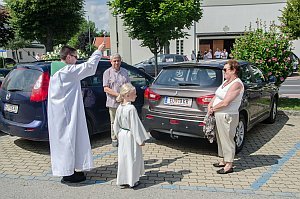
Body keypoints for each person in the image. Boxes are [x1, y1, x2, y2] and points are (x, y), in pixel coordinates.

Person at [47, 42, 105, 183]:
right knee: (69, 140)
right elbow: (89, 67)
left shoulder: (55, 72)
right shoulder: (67, 71)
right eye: (75, 57)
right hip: (66, 114)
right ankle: (69, 174)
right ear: (68, 57)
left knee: (64, 142)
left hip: (59, 114)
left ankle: (68, 170)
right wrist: (98, 51)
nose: (76, 60)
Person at [207, 60, 244, 174]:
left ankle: (229, 165)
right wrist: (210, 105)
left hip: (227, 115)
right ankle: (224, 160)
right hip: (219, 114)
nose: (223, 72)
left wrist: (213, 109)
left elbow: (226, 102)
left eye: (225, 69)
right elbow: (217, 95)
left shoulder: (237, 84)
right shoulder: (226, 82)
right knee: (221, 138)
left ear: (233, 70)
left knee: (227, 139)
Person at [113, 83, 151, 188]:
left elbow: (116, 124)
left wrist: (117, 134)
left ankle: (123, 179)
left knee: (124, 158)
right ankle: (133, 180)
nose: (136, 96)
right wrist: (140, 140)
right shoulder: (131, 109)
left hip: (122, 135)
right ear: (127, 95)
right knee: (133, 157)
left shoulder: (119, 107)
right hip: (131, 136)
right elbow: (135, 126)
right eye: (134, 94)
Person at [103, 53, 130, 147]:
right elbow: (105, 88)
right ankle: (114, 138)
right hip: (112, 102)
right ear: (111, 62)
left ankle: (123, 138)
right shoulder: (107, 73)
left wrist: (125, 96)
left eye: (118, 60)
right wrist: (117, 94)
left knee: (124, 120)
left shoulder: (125, 72)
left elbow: (128, 86)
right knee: (114, 121)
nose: (116, 62)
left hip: (123, 101)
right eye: (114, 61)